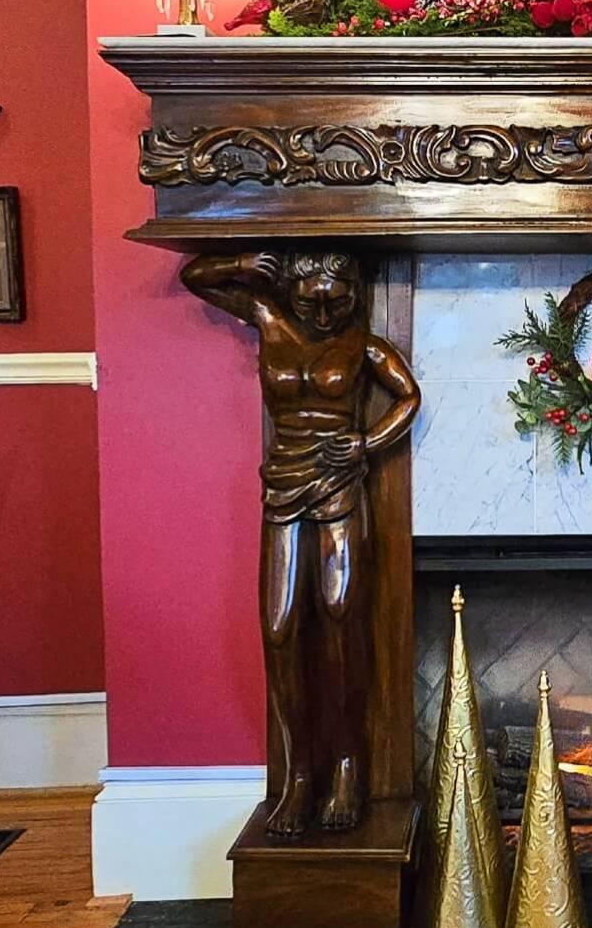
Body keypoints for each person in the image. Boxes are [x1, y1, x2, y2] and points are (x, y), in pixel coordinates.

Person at [179, 250, 421, 836]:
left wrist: (366, 442)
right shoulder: (268, 317)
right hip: (282, 487)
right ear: (290, 291)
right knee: (281, 629)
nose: (321, 310)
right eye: (310, 297)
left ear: (353, 293)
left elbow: (409, 396)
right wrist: (242, 261)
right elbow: (193, 276)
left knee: (342, 620)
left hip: (340, 488)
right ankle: (299, 775)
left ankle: (346, 767)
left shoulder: (363, 345)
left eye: (334, 299)